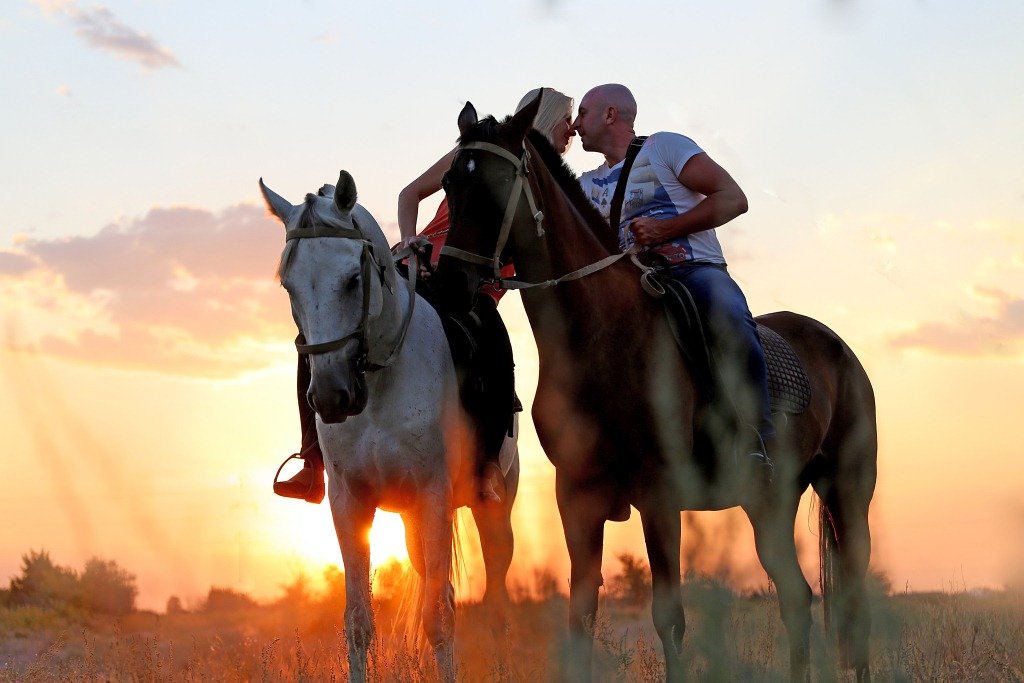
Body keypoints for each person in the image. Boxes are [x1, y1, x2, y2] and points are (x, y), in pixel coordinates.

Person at [274, 87, 575, 504]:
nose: (572, 131)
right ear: (545, 121)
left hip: (477, 286)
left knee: (494, 342)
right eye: (567, 120)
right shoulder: (478, 153)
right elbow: (409, 193)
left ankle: (486, 466)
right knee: (321, 333)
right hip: (421, 268)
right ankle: (312, 461)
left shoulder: (544, 189)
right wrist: (409, 237)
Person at [571, 83, 775, 482]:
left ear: (610, 115)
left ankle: (757, 441)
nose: (576, 124)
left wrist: (667, 229)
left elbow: (733, 198)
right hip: (629, 288)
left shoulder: (664, 148)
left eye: (583, 114)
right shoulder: (586, 185)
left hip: (692, 270)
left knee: (730, 317)